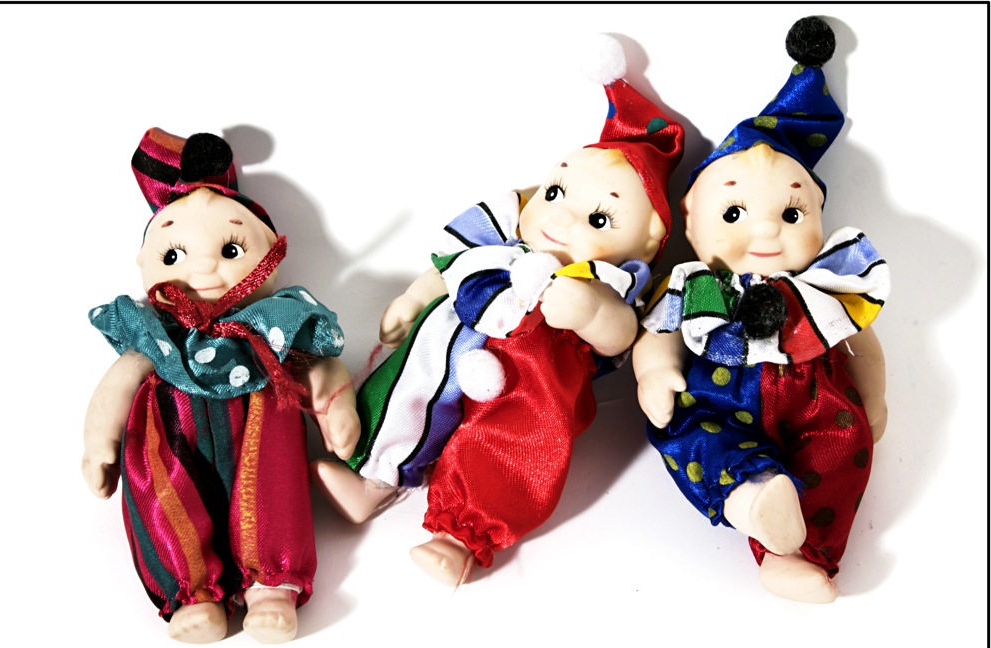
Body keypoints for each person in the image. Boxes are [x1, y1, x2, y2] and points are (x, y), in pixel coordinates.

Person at [313, 35, 685, 585]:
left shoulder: (607, 282)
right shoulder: (496, 246)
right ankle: (373, 477)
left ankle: (462, 534)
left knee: (512, 445)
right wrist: (414, 298)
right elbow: (448, 268)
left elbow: (620, 334)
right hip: (454, 339)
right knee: (406, 384)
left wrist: (586, 311)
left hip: (531, 375)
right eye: (556, 193)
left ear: (649, 243)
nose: (561, 217)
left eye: (600, 220)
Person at [633, 17, 889, 603]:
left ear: (820, 218)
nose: (768, 229)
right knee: (698, 439)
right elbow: (659, 332)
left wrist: (873, 396)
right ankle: (752, 502)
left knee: (841, 448)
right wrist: (654, 371)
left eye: (792, 214)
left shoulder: (826, 286)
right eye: (733, 214)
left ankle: (793, 558)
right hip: (719, 396)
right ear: (691, 225)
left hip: (817, 400)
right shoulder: (699, 283)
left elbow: (862, 342)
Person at [83, 129, 359, 642]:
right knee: (162, 490)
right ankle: (191, 594)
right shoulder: (152, 332)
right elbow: (121, 379)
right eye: (173, 256)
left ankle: (272, 585)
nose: (204, 267)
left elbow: (316, 363)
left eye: (231, 248)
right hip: (170, 430)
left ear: (271, 252)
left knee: (273, 484)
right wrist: (99, 441)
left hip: (261, 420)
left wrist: (334, 403)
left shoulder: (271, 322)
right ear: (144, 265)